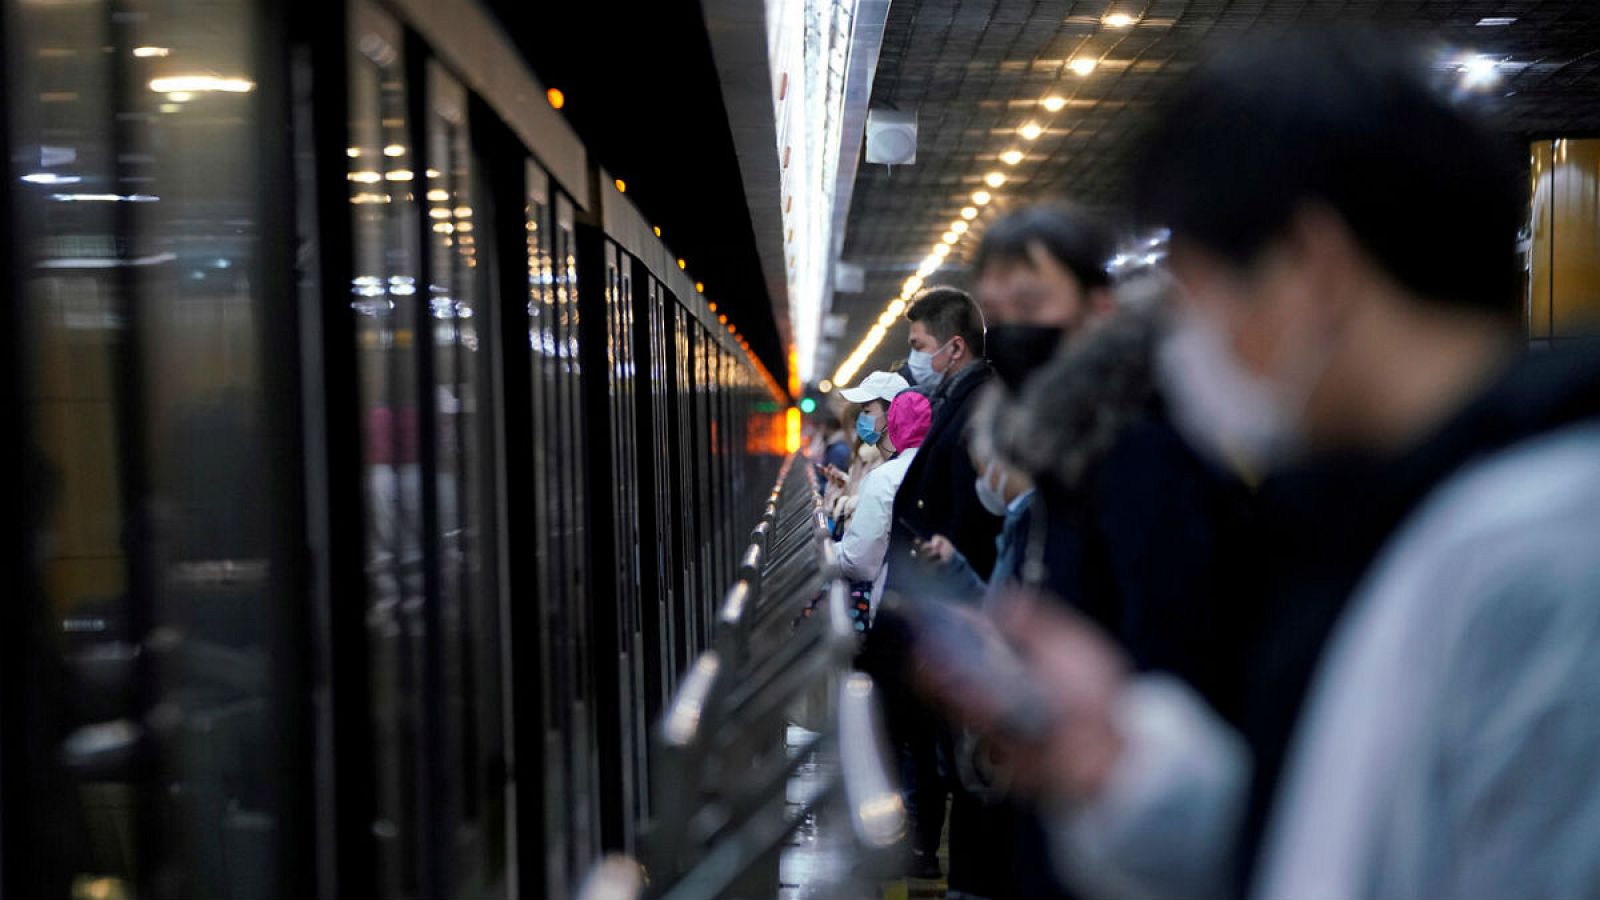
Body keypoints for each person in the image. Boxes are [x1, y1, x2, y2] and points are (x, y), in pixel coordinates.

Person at [935, 31, 1600, 900]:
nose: (1188, 342)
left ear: (1311, 267)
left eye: (1203, 293)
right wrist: (1122, 773)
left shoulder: (1541, 554)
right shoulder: (1383, 515)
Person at [836, 390, 931, 611]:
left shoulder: (885, 477)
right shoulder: (938, 466)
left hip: (892, 602)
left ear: (893, 424)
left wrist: (826, 553)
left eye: (867, 411)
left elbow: (859, 562)